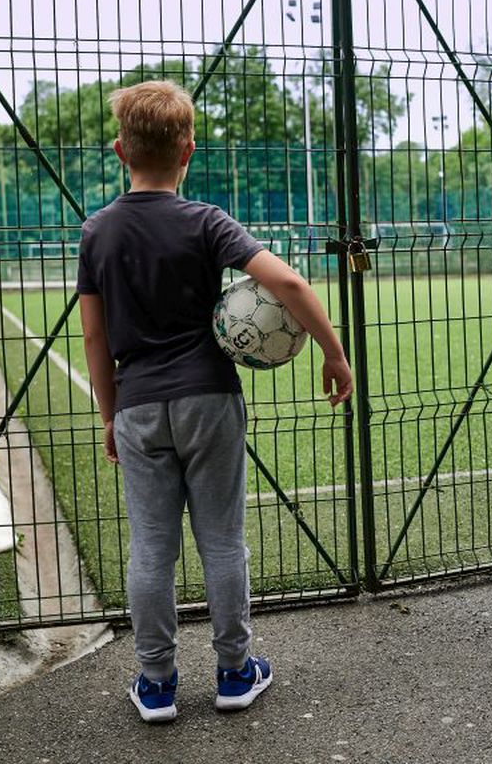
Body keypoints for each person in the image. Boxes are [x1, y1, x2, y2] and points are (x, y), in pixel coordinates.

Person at [78, 80, 353, 721]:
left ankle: (156, 684)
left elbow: (94, 333)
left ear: (121, 151)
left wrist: (109, 414)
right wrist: (333, 353)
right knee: (223, 541)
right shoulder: (206, 222)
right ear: (188, 151)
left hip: (140, 404)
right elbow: (285, 280)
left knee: (151, 546)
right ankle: (234, 673)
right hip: (209, 398)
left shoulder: (98, 232)